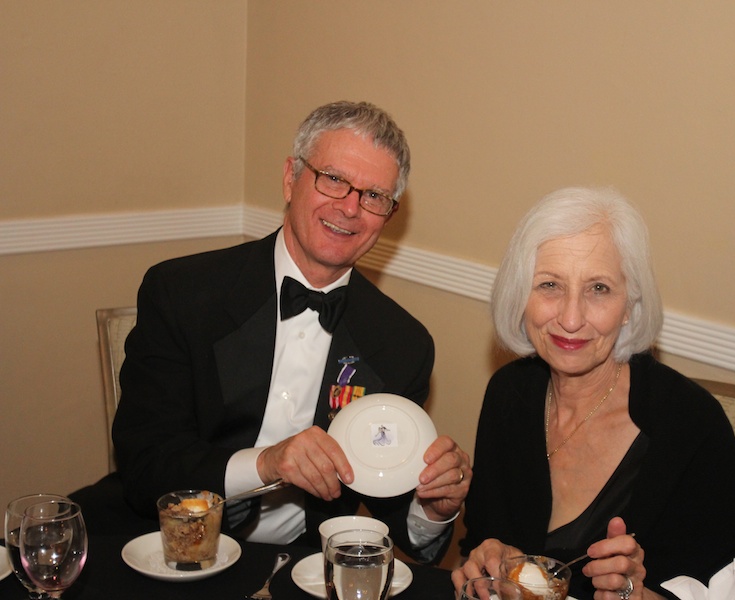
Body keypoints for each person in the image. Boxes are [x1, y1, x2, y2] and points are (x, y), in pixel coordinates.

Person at [94, 101, 469, 563]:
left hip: (300, 569)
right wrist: (266, 463)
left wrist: (432, 509)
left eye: (374, 196)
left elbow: (390, 512)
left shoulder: (403, 343)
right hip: (165, 548)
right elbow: (145, 464)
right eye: (333, 179)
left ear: (388, 214)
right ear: (291, 177)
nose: (349, 208)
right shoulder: (182, 293)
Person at [452, 187, 735, 598]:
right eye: (549, 284)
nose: (570, 317)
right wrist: (485, 559)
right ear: (520, 295)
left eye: (598, 288)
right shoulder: (510, 394)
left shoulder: (689, 423)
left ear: (630, 304)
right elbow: (481, 542)